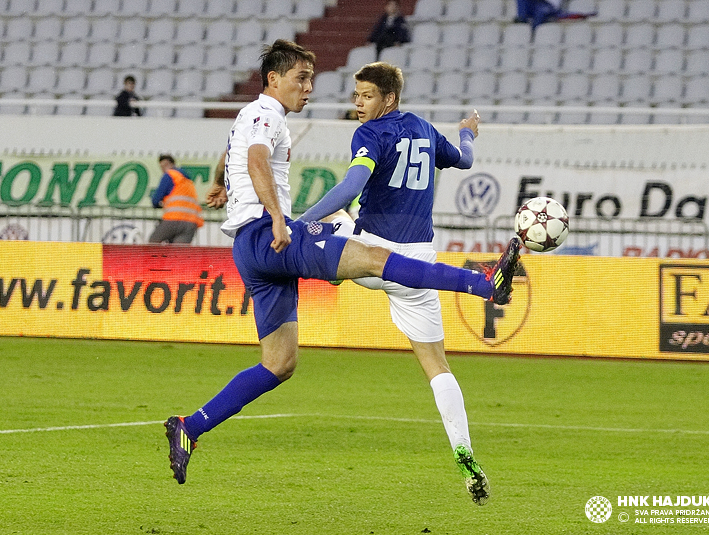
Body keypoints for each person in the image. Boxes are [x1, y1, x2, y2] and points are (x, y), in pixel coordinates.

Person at [164, 40, 521, 506]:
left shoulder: (256, 116)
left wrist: (217, 183)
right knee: (371, 257)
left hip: (250, 250)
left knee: (280, 363)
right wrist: (278, 217)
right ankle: (483, 283)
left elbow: (237, 151)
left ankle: (189, 427)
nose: (310, 88)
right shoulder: (269, 114)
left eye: (311, 80)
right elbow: (253, 161)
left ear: (386, 98)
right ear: (274, 79)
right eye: (301, 79)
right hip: (270, 239)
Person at [298, 61, 503, 506]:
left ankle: (323, 268)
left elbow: (351, 186)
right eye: (355, 96)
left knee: (326, 224)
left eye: (366, 96)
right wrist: (468, 130)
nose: (357, 104)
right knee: (437, 366)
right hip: (419, 264)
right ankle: (463, 450)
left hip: (371, 254)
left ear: (387, 98)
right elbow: (465, 159)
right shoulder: (426, 129)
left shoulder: (371, 134)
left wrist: (300, 222)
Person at [149, 154, 204, 244]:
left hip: (173, 219)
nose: (163, 169)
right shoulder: (187, 180)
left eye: (164, 166)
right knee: (179, 254)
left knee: (152, 244)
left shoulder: (170, 175)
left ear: (170, 165)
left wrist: (158, 204)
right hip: (191, 222)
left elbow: (156, 199)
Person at [514, 0, 597, 33]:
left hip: (549, 6)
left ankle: (533, 33)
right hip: (537, 3)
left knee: (541, 12)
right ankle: (523, 19)